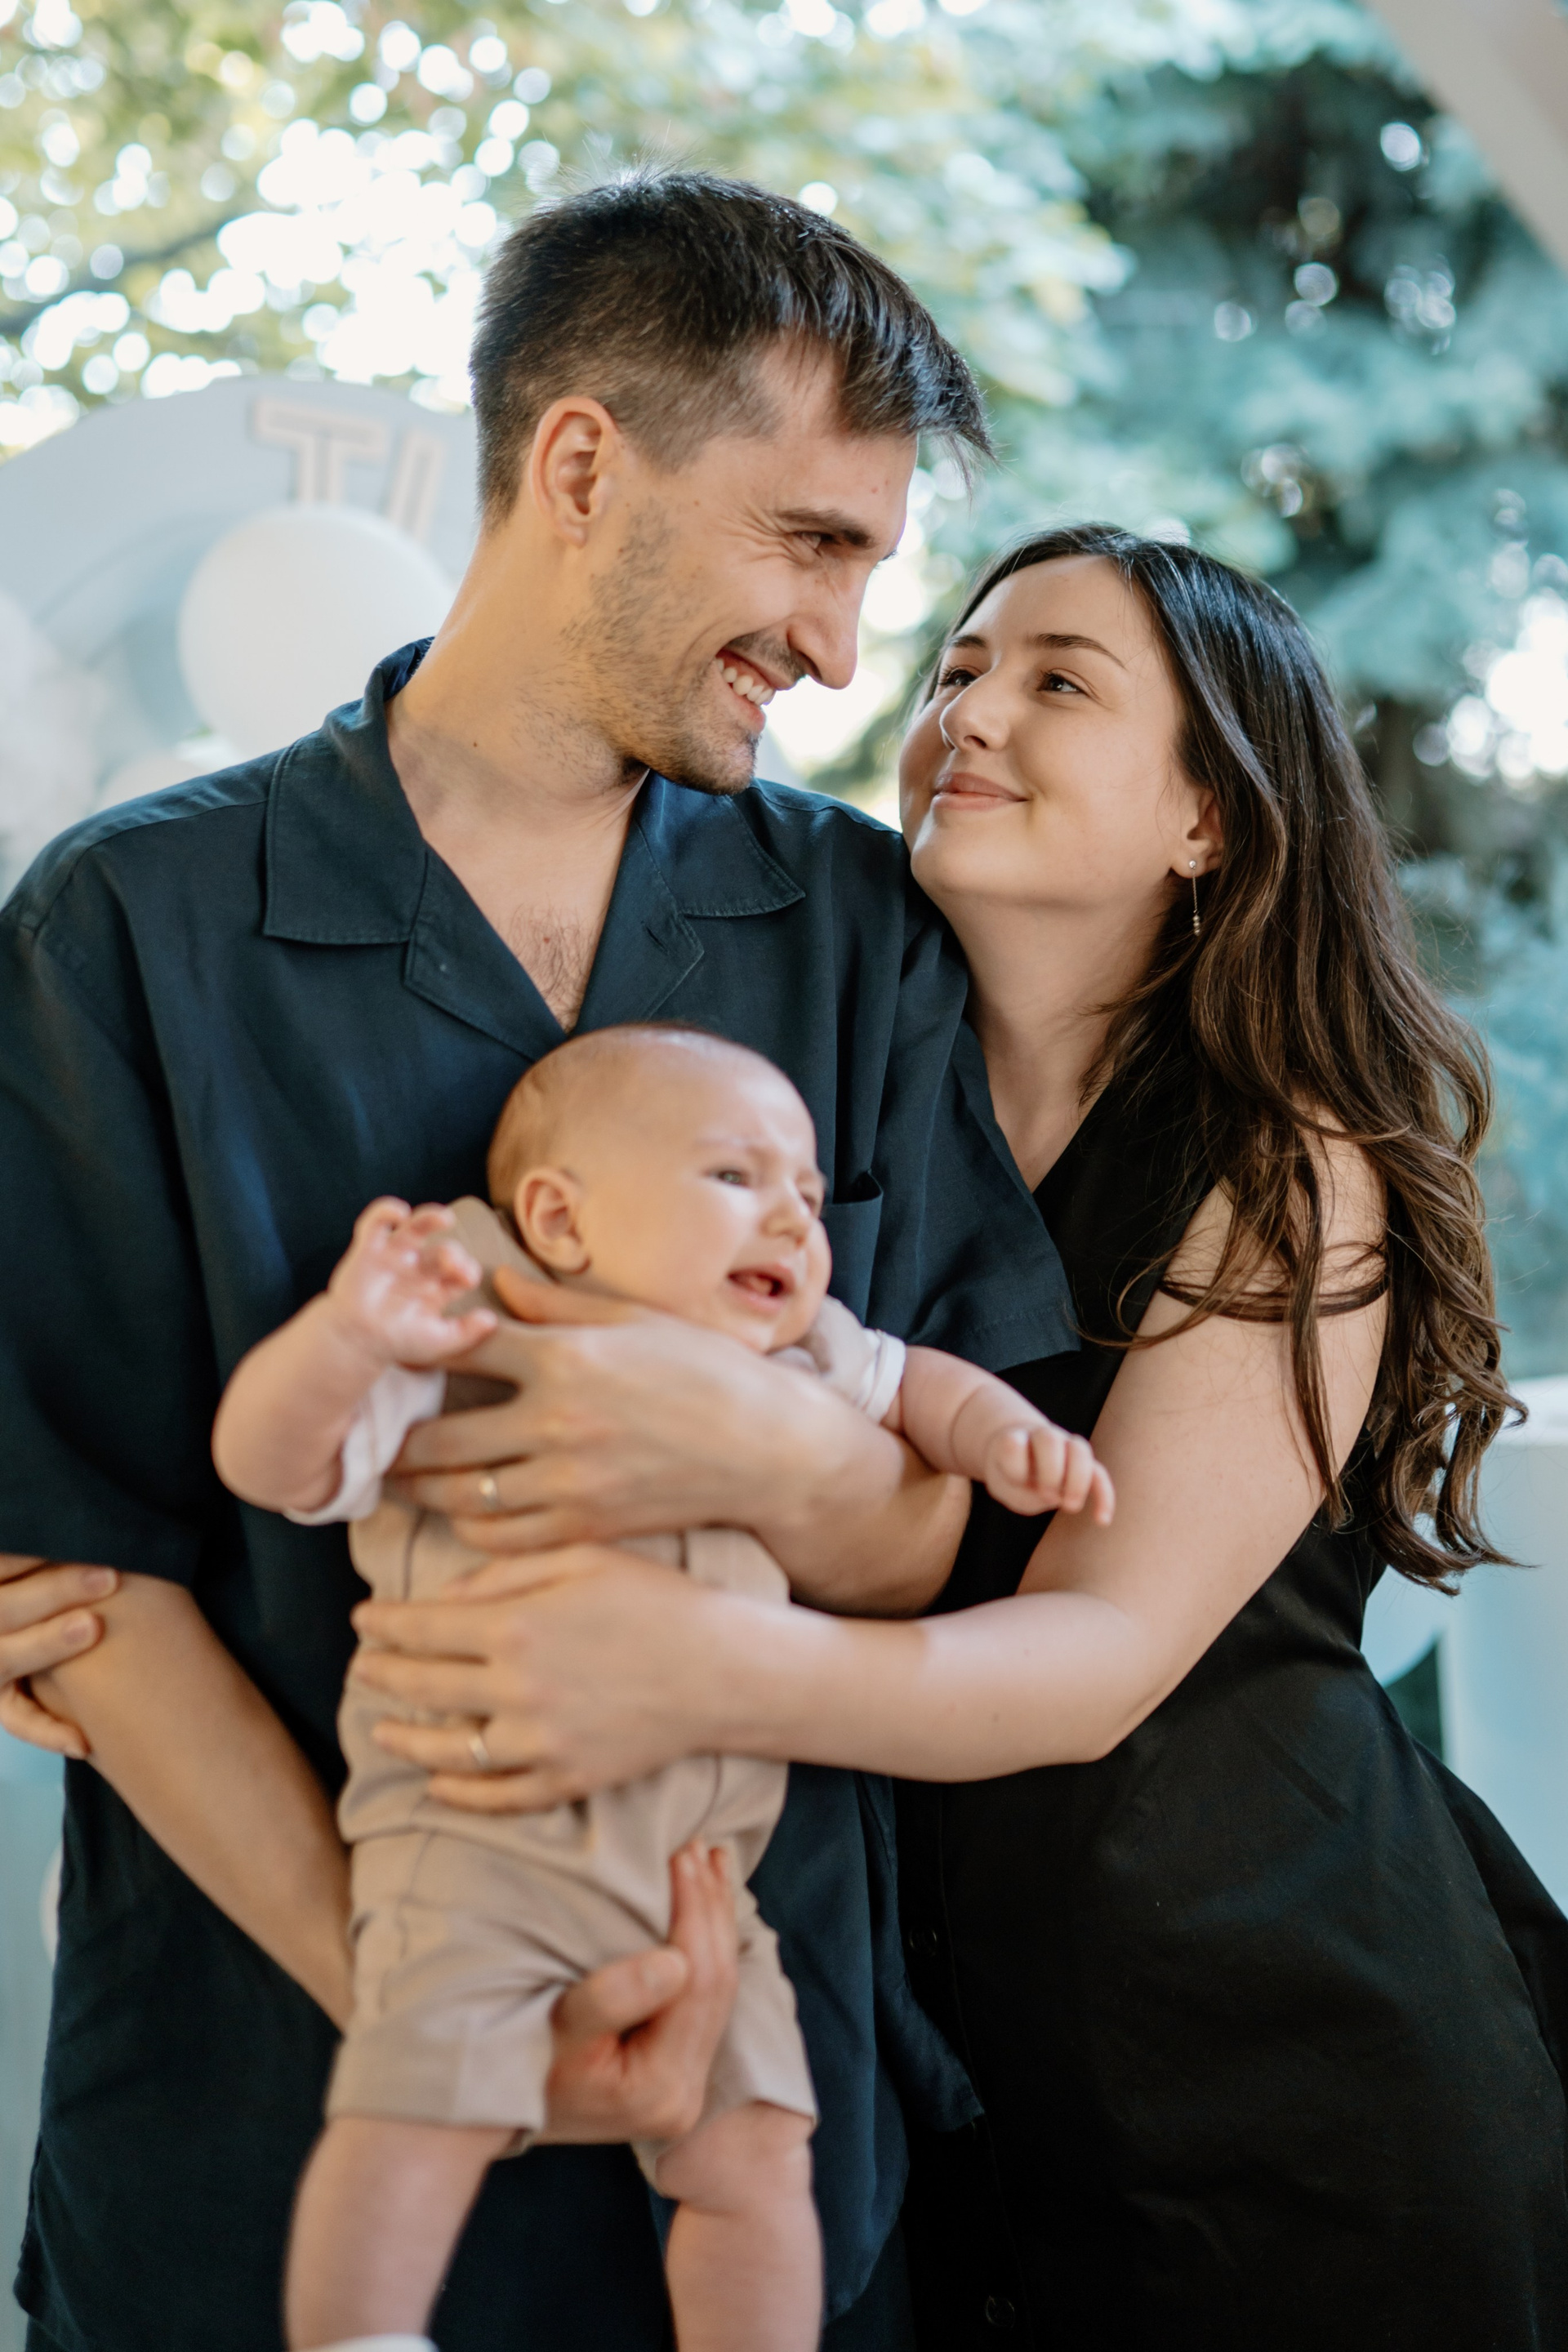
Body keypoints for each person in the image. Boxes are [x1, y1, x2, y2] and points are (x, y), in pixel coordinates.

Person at [0, 173, 1080, 2352]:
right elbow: (73, 1584)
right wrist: (445, 2013)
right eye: (809, 543)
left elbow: (954, 1536)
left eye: (870, 569)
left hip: (763, 2112)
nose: (842, 648)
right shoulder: (124, 928)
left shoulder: (857, 930)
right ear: (582, 466)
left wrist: (732, 1443)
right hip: (271, 2119)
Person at [333, 528, 1568, 2350]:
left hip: (1291, 2056)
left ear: (1208, 818)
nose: (969, 715)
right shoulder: (805, 1122)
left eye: (1059, 682)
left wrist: (678, 1667)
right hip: (956, 2097)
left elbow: (1100, 1653)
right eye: (960, 671)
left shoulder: (1290, 1160)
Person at [210, 1025, 1107, 2352]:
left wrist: (1007, 1436)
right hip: (481, 1838)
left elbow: (915, 1383)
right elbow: (267, 1465)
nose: (795, 1221)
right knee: (417, 2108)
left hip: (702, 1878)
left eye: (809, 1194)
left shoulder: (794, 1356)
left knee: (759, 2154)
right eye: (736, 1177)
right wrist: (348, 1340)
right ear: (559, 1221)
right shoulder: (468, 1314)